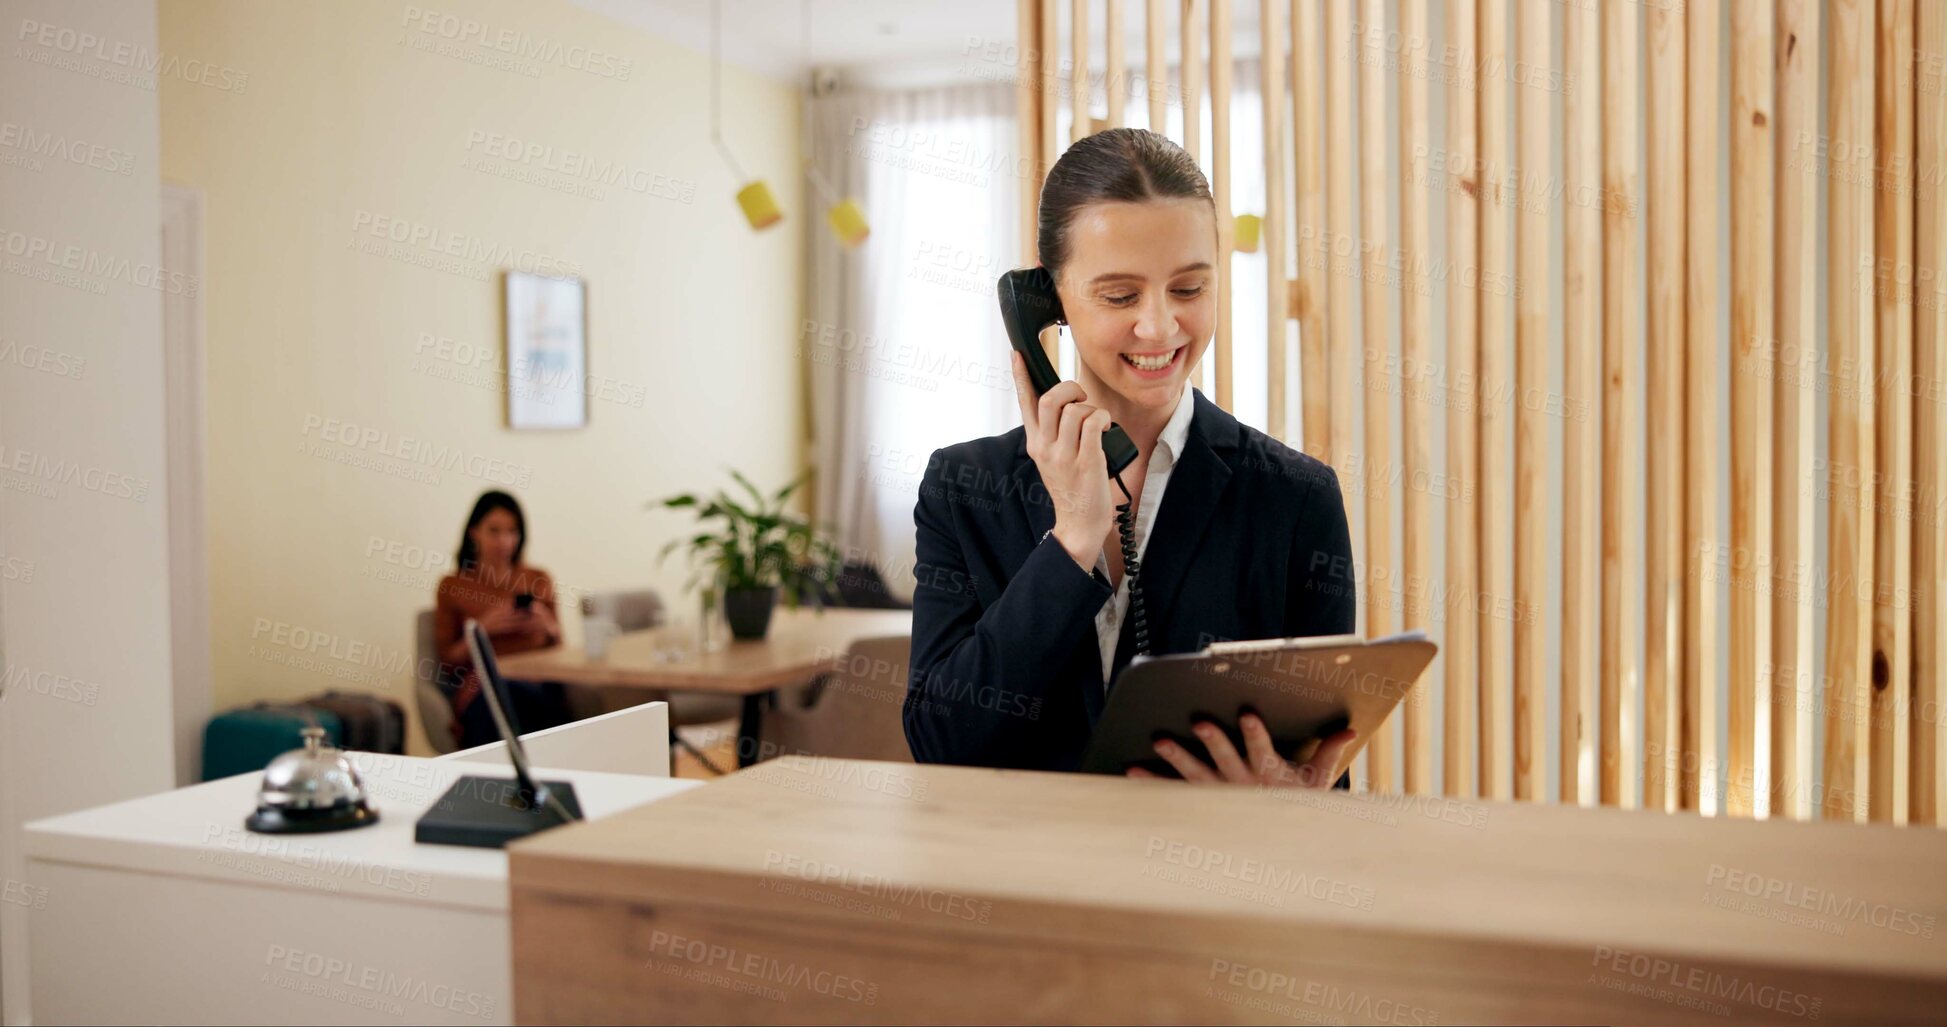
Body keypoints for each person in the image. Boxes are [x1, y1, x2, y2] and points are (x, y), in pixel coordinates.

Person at [905, 127, 1358, 788]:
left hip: (1210, 880)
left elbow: (1319, 767)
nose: (1159, 327)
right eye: (1119, 295)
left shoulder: (1296, 496)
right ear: (1047, 299)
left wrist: (1291, 804)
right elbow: (939, 744)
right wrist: (1073, 538)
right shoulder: (962, 487)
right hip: (1019, 877)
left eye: (1188, 289)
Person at [433, 490, 570, 748]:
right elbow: (447, 662)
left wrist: (548, 627)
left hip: (538, 683)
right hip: (484, 687)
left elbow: (560, 650)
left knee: (542, 698)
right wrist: (482, 630)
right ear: (475, 532)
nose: (504, 541)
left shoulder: (538, 579)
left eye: (511, 532)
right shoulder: (453, 586)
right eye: (494, 531)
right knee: (501, 696)